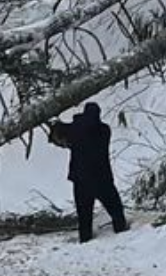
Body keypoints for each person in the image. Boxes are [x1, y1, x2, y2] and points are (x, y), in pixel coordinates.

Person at [50, 102, 130, 243]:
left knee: (84, 216)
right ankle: (121, 230)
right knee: (115, 209)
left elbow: (59, 134)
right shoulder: (104, 130)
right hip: (102, 177)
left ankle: (85, 239)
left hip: (81, 179)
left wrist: (55, 123)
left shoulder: (74, 129)